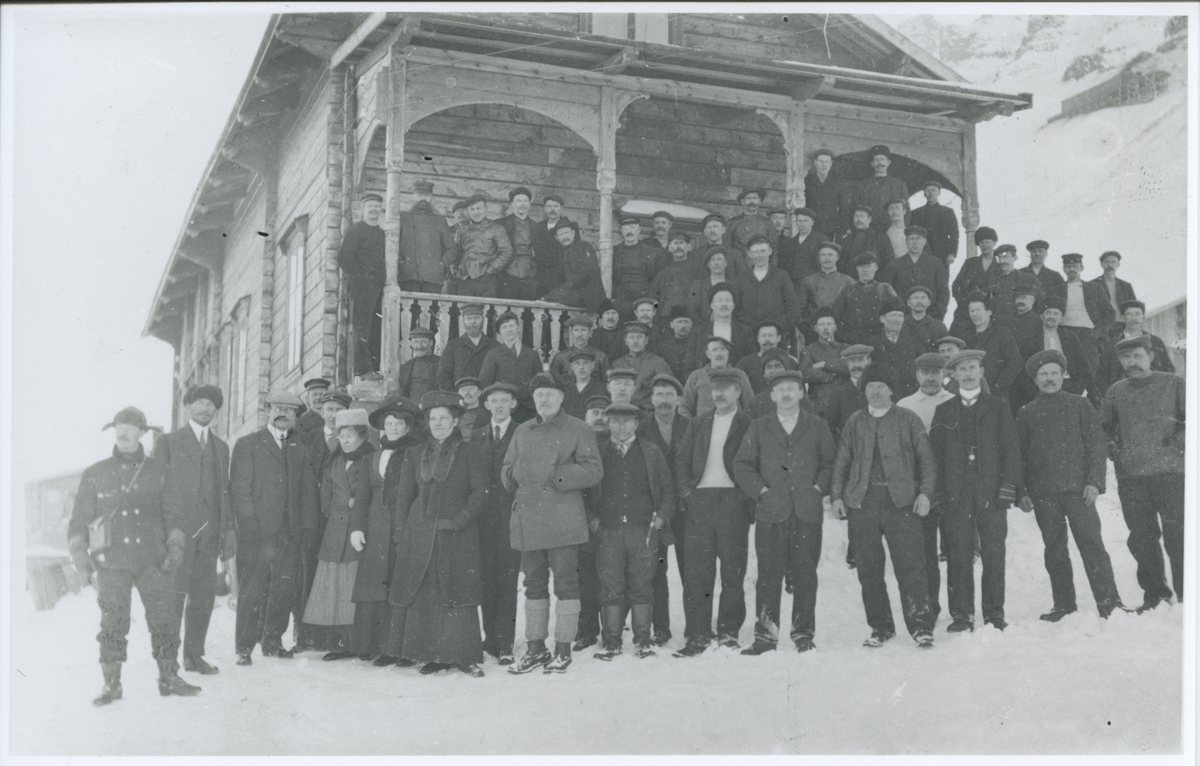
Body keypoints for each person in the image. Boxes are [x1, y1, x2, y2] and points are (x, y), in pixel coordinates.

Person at [69, 406, 199, 705]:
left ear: (143, 432)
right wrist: (80, 555)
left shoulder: (160, 471)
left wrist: (176, 548)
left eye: (130, 426)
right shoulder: (95, 473)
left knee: (164, 620)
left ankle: (169, 676)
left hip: (153, 560)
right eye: (119, 426)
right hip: (111, 563)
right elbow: (78, 521)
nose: (123, 431)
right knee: (112, 623)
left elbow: (175, 517)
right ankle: (111, 685)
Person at [503, 374, 604, 674]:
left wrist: (557, 475)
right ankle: (536, 648)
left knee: (566, 585)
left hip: (563, 519)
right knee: (533, 584)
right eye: (539, 395)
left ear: (561, 398)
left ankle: (563, 648)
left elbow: (593, 470)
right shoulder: (522, 429)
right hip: (528, 519)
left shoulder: (579, 429)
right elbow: (507, 467)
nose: (544, 399)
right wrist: (512, 475)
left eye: (550, 394)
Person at [830, 366, 937, 649]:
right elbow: (842, 460)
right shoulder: (855, 421)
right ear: (863, 391)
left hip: (900, 502)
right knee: (868, 568)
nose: (875, 391)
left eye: (881, 386)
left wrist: (925, 493)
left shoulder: (908, 419)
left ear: (891, 390)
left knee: (911, 566)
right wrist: (837, 496)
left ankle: (921, 626)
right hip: (862, 503)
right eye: (870, 386)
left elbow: (926, 460)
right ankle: (881, 627)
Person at [1016, 350, 1126, 622]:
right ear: (1035, 380)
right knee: (1054, 548)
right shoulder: (1026, 413)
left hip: (1079, 492)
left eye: (1054, 373)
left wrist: (1094, 482)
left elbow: (1096, 445)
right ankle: (1063, 604)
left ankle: (1109, 603)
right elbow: (1018, 455)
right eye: (1043, 374)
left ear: (1063, 376)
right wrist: (1023, 492)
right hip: (1044, 494)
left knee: (1092, 544)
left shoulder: (1080, 405)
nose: (1049, 378)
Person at [386, 390, 490, 677]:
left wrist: (459, 521)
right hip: (420, 533)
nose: (438, 423)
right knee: (426, 591)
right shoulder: (414, 453)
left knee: (455, 590)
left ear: (455, 421)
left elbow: (480, 492)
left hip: (457, 533)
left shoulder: (469, 451)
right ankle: (433, 652)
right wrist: (401, 532)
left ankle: (461, 654)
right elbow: (404, 497)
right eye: (433, 418)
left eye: (444, 418)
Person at [734, 370, 836, 655]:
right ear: (772, 396)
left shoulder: (816, 426)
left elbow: (830, 462)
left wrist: (818, 488)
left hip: (806, 511)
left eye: (793, 388)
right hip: (770, 512)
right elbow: (742, 464)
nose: (787, 394)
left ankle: (803, 634)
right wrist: (761, 491)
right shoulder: (759, 426)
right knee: (768, 574)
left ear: (802, 393)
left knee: (805, 574)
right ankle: (765, 637)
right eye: (781, 390)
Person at [929, 350, 1022, 632]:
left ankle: (994, 613)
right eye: (962, 369)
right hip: (956, 494)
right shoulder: (944, 411)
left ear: (981, 372)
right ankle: (961, 615)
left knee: (994, 553)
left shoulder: (998, 407)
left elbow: (1011, 449)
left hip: (990, 492)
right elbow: (935, 456)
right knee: (958, 554)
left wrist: (1008, 486)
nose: (968, 373)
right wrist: (939, 493)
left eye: (972, 368)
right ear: (953, 376)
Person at [230, 390, 319, 665]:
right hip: (257, 532)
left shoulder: (299, 448)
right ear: (268, 410)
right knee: (252, 589)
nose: (283, 414)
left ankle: (272, 641)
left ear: (295, 416)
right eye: (278, 408)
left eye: (290, 410)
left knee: (284, 588)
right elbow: (240, 489)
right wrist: (249, 526)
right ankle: (244, 647)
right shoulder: (249, 444)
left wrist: (306, 528)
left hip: (288, 532)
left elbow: (306, 492)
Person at [673, 368, 754, 657]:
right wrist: (686, 492)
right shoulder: (698, 423)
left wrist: (746, 498)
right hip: (701, 501)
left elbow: (756, 463)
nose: (718, 394)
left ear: (738, 391)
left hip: (733, 501)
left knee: (733, 571)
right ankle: (697, 634)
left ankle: (729, 632)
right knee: (697, 572)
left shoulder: (748, 424)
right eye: (714, 389)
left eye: (726, 388)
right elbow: (681, 460)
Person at [1102, 336, 1186, 612]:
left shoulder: (1174, 383)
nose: (1132, 362)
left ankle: (1188, 597)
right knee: (1142, 538)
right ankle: (1155, 595)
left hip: (1172, 475)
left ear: (1150, 356)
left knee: (1180, 537)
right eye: (1126, 358)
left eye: (1137, 355)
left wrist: (1174, 448)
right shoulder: (1116, 391)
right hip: (1133, 478)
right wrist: (1118, 451)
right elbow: (1103, 429)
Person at [586, 403, 676, 660]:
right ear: (608, 423)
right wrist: (593, 522)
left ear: (636, 424)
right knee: (610, 586)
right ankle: (612, 642)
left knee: (642, 585)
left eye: (627, 422)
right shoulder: (598, 452)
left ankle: (643, 641)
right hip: (609, 531)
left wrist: (661, 518)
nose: (621, 427)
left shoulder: (651, 452)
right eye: (615, 421)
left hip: (643, 530)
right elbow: (585, 493)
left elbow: (668, 490)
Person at [159, 385, 234, 676]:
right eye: (201, 403)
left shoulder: (221, 448)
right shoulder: (168, 442)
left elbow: (223, 494)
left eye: (212, 406)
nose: (206, 409)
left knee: (203, 597)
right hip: (178, 535)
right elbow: (159, 489)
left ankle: (194, 655)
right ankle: (168, 657)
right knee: (174, 596)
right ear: (190, 406)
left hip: (209, 534)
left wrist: (226, 532)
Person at [353, 397, 423, 667]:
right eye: (389, 424)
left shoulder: (415, 453)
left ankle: (402, 648)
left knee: (401, 583)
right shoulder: (372, 457)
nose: (394, 428)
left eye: (399, 424)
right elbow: (362, 496)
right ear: (382, 428)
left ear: (407, 427)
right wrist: (357, 528)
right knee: (376, 585)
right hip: (376, 527)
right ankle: (377, 645)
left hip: (405, 525)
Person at [305, 408, 374, 661]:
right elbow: (325, 500)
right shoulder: (333, 463)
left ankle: (361, 642)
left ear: (363, 437)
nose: (345, 440)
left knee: (354, 587)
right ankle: (343, 642)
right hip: (335, 533)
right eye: (341, 435)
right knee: (336, 589)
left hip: (358, 533)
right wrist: (341, 510)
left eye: (350, 435)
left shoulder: (370, 460)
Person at [897, 352, 956, 622]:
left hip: (953, 485)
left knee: (956, 551)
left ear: (945, 374)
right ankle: (930, 607)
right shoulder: (904, 405)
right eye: (925, 372)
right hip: (921, 488)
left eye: (936, 371)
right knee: (926, 552)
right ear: (917, 375)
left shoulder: (955, 402)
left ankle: (960, 610)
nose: (931, 377)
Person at [474, 382, 524, 665]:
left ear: (513, 405)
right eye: (495, 401)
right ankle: (489, 639)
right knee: (486, 579)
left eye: (505, 400)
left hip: (511, 518)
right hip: (483, 520)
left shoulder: (523, 433)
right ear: (486, 405)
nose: (500, 405)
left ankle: (505, 642)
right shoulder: (477, 436)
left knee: (507, 580)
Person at [638, 373, 690, 646]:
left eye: (670, 395)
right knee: (656, 571)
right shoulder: (641, 429)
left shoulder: (692, 426)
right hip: (654, 512)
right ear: (651, 400)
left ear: (679, 399)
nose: (664, 401)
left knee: (691, 569)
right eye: (659, 395)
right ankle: (661, 628)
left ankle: (695, 626)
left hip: (686, 511)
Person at [297, 390, 351, 653]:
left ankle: (333, 634)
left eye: (338, 410)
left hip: (339, 521)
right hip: (312, 519)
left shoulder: (351, 442)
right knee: (307, 574)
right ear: (321, 412)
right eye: (328, 409)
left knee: (336, 575)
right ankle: (305, 634)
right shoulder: (307, 440)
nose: (332, 415)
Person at [1011, 296, 1096, 412]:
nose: (1051, 316)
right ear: (1041, 316)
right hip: (1039, 387)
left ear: (1061, 318)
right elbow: (1021, 369)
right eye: (1048, 313)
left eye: (1056, 314)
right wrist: (1033, 390)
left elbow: (1083, 367)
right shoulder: (1029, 339)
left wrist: (1077, 388)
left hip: (1068, 386)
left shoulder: (1070, 338)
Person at [339, 192, 386, 375]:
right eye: (370, 206)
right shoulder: (356, 230)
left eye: (376, 206)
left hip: (378, 287)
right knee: (362, 328)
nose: (374, 210)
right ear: (363, 209)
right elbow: (344, 257)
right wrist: (361, 277)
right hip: (362, 288)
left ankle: (375, 368)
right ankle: (362, 369)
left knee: (376, 327)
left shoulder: (381, 233)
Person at [1053, 252, 1116, 378]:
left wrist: (1098, 331)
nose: (1072, 269)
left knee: (1088, 371)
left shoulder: (1094, 288)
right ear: (1064, 269)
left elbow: (1110, 313)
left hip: (1088, 333)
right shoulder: (1057, 290)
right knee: (1066, 370)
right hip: (1065, 331)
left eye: (1075, 266)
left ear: (1082, 268)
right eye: (1068, 267)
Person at [735, 236, 803, 351]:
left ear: (770, 251)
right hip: (748, 336)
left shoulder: (782, 276)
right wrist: (745, 328)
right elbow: (735, 309)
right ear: (749, 254)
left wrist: (779, 327)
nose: (759, 255)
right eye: (755, 252)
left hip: (776, 336)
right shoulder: (741, 279)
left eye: (763, 251)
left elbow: (793, 307)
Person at [479, 311, 543, 422]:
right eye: (504, 327)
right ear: (500, 332)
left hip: (529, 409)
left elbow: (540, 382)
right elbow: (484, 383)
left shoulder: (532, 354)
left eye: (511, 326)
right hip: (505, 410)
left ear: (518, 328)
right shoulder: (493, 355)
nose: (509, 330)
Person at [398, 179, 458, 294]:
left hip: (432, 279)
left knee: (431, 311)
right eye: (420, 194)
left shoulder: (440, 221)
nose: (423, 198)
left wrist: (440, 265)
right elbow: (392, 245)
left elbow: (452, 249)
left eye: (427, 195)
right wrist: (401, 263)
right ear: (413, 196)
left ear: (431, 197)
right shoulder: (403, 218)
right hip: (408, 277)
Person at [879, 226, 950, 322]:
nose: (915, 242)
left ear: (924, 241)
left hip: (930, 316)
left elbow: (943, 291)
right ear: (906, 241)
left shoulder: (936, 263)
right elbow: (886, 291)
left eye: (918, 238)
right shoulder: (895, 264)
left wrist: (938, 314)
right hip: (902, 318)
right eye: (911, 239)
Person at [963, 291, 1024, 403]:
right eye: (972, 311)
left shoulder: (1002, 333)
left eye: (978, 310)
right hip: (972, 394)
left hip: (996, 395)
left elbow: (1015, 362)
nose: (974, 314)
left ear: (989, 312)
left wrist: (998, 385)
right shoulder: (967, 337)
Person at [831, 252, 899, 345]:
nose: (865, 270)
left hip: (879, 339)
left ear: (876, 267)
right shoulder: (847, 289)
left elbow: (897, 314)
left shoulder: (885, 288)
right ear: (857, 269)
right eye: (861, 266)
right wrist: (846, 336)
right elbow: (835, 317)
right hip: (854, 340)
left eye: (868, 266)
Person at [684, 283, 754, 373]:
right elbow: (689, 366)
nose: (724, 304)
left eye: (728, 300)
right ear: (712, 305)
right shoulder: (697, 332)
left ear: (733, 305)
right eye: (719, 300)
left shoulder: (745, 331)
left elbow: (752, 364)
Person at [680, 337, 755, 418]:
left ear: (728, 353)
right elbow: (684, 408)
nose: (719, 354)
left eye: (723, 349)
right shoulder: (696, 376)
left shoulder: (739, 375)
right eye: (714, 350)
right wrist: (694, 427)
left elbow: (750, 406)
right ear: (708, 354)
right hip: (704, 428)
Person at [454, 194, 512, 298]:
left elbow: (506, 253)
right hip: (465, 280)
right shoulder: (462, 231)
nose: (476, 212)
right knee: (466, 312)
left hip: (487, 281)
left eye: (479, 208)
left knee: (488, 312)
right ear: (468, 211)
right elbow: (454, 253)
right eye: (472, 209)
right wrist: (455, 271)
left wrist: (490, 271)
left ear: (486, 209)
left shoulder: (497, 229)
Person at [867, 297, 923, 400]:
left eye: (900, 316)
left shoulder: (913, 342)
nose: (897, 320)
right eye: (893, 315)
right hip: (883, 398)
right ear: (882, 319)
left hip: (909, 397)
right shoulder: (872, 343)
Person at [543, 219, 604, 313]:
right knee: (547, 298)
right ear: (556, 237)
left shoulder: (584, 246)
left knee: (549, 298)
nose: (564, 237)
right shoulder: (561, 253)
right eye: (561, 234)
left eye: (566, 232)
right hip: (572, 292)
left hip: (587, 292)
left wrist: (568, 285)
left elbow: (588, 271)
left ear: (573, 233)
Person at [949, 227, 1000, 339]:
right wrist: (963, 301)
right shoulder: (970, 263)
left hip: (991, 311)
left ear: (994, 243)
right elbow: (956, 285)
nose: (985, 245)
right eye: (982, 242)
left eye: (987, 242)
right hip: (968, 310)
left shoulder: (1000, 266)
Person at [435, 303, 498, 392]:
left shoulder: (494, 346)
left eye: (476, 318)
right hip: (461, 398)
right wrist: (454, 397)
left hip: (486, 399)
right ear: (463, 321)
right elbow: (442, 376)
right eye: (469, 318)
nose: (473, 322)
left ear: (483, 319)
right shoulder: (453, 346)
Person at [1105, 300, 1176, 378]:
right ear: (1123, 318)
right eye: (1129, 314)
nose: (1133, 318)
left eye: (1137, 314)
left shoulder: (1156, 342)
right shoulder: (1113, 343)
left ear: (1143, 318)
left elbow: (1168, 370)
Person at [612, 322, 673, 411]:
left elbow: (667, 389)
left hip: (649, 411)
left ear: (646, 340)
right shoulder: (617, 364)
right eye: (632, 337)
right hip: (624, 411)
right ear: (626, 341)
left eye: (639, 337)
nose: (635, 341)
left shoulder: (657, 362)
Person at [612, 216, 664, 318]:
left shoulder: (651, 251)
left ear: (638, 230)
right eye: (625, 229)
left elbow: (658, 278)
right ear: (621, 232)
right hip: (622, 297)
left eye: (632, 228)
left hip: (645, 296)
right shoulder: (615, 251)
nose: (629, 232)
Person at [849, 145, 909, 234]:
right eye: (876, 160)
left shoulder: (899, 185)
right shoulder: (861, 185)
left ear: (888, 162)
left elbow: (907, 211)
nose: (879, 163)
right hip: (868, 231)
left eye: (882, 159)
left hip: (891, 230)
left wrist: (901, 231)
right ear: (872, 164)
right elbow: (852, 209)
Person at [798, 309, 848, 413]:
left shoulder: (844, 348)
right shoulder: (808, 350)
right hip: (819, 402)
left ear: (835, 327)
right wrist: (833, 374)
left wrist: (824, 364)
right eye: (821, 324)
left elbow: (848, 366)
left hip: (843, 400)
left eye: (829, 324)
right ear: (815, 328)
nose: (825, 328)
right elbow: (805, 373)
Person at [821, 344, 872, 441]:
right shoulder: (838, 393)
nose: (857, 365)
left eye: (861, 360)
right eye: (852, 360)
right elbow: (829, 429)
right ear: (847, 363)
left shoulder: (880, 389)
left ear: (869, 361)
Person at [987, 244, 1044, 329]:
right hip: (998, 327)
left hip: (1022, 327)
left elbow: (1041, 302)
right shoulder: (992, 281)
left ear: (1015, 257)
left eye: (1006, 257)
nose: (1002, 261)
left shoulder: (1028, 279)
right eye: (1000, 258)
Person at [799, 242, 855, 327]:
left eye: (830, 255)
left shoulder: (848, 281)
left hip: (840, 327)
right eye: (823, 255)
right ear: (818, 258)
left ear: (837, 258)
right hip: (814, 327)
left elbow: (852, 309)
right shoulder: (809, 280)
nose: (827, 259)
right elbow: (801, 307)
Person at [499, 186, 540, 300]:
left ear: (530, 204)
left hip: (530, 276)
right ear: (512, 204)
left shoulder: (536, 227)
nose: (522, 204)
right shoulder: (501, 224)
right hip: (508, 276)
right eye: (519, 201)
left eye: (525, 201)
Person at [549, 314, 610, 387]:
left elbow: (606, 382)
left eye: (583, 330)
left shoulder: (600, 356)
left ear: (590, 333)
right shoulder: (560, 357)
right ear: (571, 332)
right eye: (576, 330)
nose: (579, 334)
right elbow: (553, 382)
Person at [736, 320, 796, 394]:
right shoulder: (745, 363)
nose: (767, 339)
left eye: (771, 335)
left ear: (779, 338)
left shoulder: (791, 362)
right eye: (763, 336)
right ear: (758, 338)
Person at [651, 231, 701, 319]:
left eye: (681, 243)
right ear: (669, 248)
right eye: (675, 243)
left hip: (690, 317)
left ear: (688, 247)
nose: (678, 247)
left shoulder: (698, 271)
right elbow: (653, 297)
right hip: (666, 317)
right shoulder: (663, 273)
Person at [909, 180, 959, 265]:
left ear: (939, 193)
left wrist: (952, 253)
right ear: (924, 194)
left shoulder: (947, 212)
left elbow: (954, 234)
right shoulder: (916, 213)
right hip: (922, 253)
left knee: (941, 277)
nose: (931, 193)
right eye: (928, 190)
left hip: (943, 254)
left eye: (933, 190)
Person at [687, 247, 739, 324]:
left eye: (719, 259)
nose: (716, 263)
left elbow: (737, 312)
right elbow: (692, 311)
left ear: (725, 263)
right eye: (712, 260)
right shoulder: (699, 285)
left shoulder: (733, 286)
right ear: (708, 264)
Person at [776, 207, 823, 288]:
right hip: (794, 284)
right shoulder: (791, 242)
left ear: (812, 222)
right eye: (799, 221)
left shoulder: (820, 240)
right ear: (796, 223)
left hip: (813, 284)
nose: (802, 224)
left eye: (806, 220)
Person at [837, 206, 892, 276]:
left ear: (869, 219)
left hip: (874, 281)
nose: (859, 219)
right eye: (856, 216)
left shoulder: (881, 238)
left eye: (862, 216)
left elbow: (889, 262)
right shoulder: (846, 240)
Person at [533, 194, 570, 297]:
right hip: (540, 276)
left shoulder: (569, 227)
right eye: (549, 206)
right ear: (545, 209)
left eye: (556, 206)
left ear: (561, 209)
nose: (552, 210)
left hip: (560, 277)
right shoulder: (538, 227)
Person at [804, 149, 844, 239]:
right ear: (815, 163)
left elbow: (844, 208)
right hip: (811, 229)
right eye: (820, 161)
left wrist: (841, 229)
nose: (824, 165)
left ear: (831, 163)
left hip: (831, 231)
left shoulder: (838, 183)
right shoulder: (807, 181)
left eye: (827, 162)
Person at [694, 214, 750, 280]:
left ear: (723, 230)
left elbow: (743, 279)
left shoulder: (735, 254)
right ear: (705, 232)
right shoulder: (695, 254)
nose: (712, 230)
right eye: (709, 227)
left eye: (715, 227)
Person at [561, 347, 608, 421]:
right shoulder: (564, 389)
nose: (581, 367)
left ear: (592, 365)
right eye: (577, 363)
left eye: (585, 363)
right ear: (572, 366)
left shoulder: (603, 389)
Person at [397, 327, 439, 402]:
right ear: (411, 344)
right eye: (416, 342)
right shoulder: (406, 367)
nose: (419, 346)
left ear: (431, 343)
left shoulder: (440, 363)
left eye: (423, 342)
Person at [727, 188, 774, 253]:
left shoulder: (767, 223)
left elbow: (773, 248)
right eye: (748, 198)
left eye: (754, 198)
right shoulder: (732, 223)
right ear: (742, 202)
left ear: (759, 201)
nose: (752, 201)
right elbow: (727, 247)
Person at [903, 285, 948, 353]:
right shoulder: (901, 324)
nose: (919, 301)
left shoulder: (939, 327)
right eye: (915, 298)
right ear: (909, 302)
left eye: (923, 298)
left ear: (929, 302)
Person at [1092, 250, 1137, 317]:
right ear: (1101, 264)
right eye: (1106, 262)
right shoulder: (1092, 285)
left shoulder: (1126, 286)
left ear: (1118, 264)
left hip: (1122, 323)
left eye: (1113, 262)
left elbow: (1134, 307)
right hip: (1102, 324)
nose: (1110, 265)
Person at [657, 306, 695, 383]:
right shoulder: (662, 347)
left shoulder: (698, 345)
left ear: (691, 325)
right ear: (671, 324)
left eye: (686, 322)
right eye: (679, 322)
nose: (683, 326)